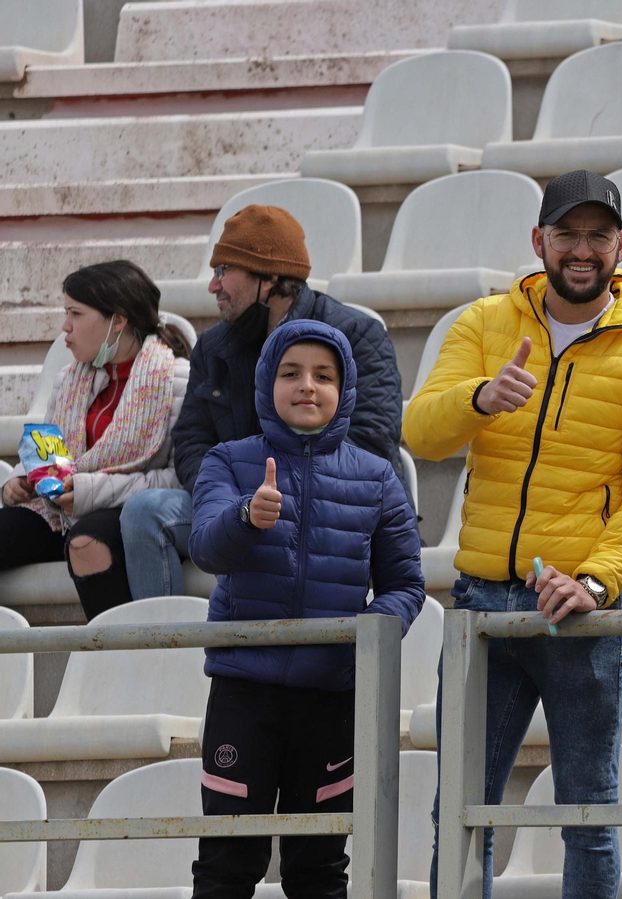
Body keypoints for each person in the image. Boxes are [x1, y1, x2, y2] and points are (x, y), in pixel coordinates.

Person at [404, 169, 622, 897]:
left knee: (587, 814)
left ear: (621, 245)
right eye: (567, 233)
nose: (581, 249)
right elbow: (420, 431)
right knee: (461, 813)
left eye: (598, 235)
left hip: (580, 610)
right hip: (479, 604)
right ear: (539, 240)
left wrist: (596, 580)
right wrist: (479, 397)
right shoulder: (481, 324)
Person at [186, 319, 425, 898]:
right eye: (291, 373)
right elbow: (205, 547)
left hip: (330, 699)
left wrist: (364, 635)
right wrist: (248, 515)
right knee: (227, 863)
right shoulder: (229, 461)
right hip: (244, 693)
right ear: (267, 382)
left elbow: (405, 585)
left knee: (319, 868)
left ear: (344, 391)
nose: (307, 386)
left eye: (324, 375)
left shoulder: (378, 478)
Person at [120, 204, 405, 601]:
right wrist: (236, 497)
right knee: (142, 512)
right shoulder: (214, 346)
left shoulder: (357, 335)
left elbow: (371, 442)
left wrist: (280, 490)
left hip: (332, 508)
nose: (212, 286)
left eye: (223, 271)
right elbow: (191, 441)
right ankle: (165, 656)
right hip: (237, 505)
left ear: (269, 279)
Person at [0, 261, 192, 619]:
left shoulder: (176, 379)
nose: (65, 327)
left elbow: (177, 481)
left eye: (75, 313)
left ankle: (114, 662)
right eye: (65, 312)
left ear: (117, 321)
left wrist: (89, 490)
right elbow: (49, 456)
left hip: (125, 513)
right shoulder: (68, 380)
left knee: (86, 542)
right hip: (62, 509)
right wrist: (23, 480)